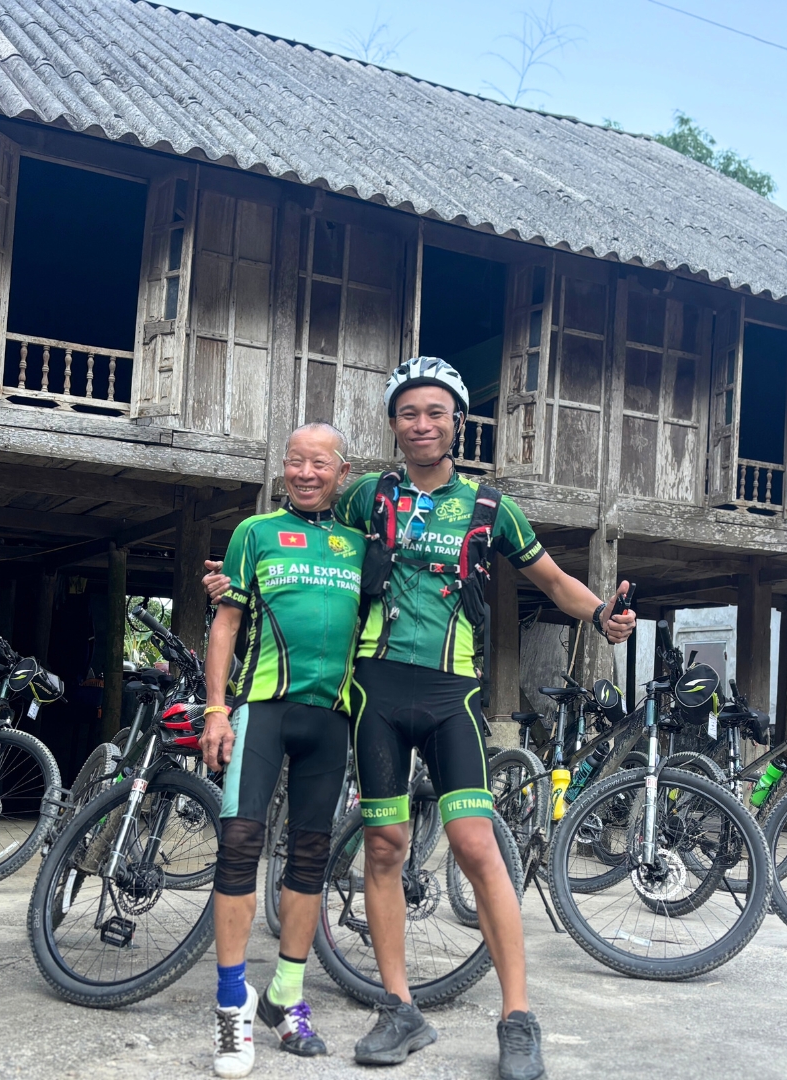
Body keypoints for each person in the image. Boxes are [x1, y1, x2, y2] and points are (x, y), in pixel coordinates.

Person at [207, 358, 635, 1080]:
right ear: (394, 425)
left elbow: (553, 579)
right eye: (409, 413)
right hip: (373, 694)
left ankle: (518, 1016)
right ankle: (399, 1008)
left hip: (450, 694)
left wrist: (601, 614)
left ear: (458, 422)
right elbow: (307, 519)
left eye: (436, 412)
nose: (422, 424)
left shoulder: (491, 507)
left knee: (474, 843)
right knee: (384, 846)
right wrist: (230, 582)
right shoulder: (366, 495)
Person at [199, 422, 364, 1079]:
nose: (305, 472)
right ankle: (232, 1004)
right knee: (240, 843)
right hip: (264, 710)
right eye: (295, 461)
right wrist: (217, 709)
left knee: (311, 856)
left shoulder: (360, 544)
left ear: (341, 473)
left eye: (319, 463)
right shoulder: (255, 533)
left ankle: (287, 998)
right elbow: (227, 622)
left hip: (332, 720)